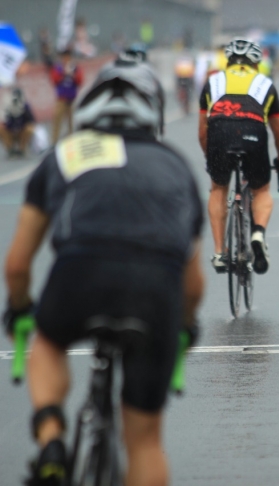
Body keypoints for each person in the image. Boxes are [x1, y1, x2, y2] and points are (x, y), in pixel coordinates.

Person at [2, 62, 204, 486]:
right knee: (145, 441)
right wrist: (184, 327)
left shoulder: (65, 154)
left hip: (80, 275)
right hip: (154, 289)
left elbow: (18, 264)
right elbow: (193, 284)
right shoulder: (175, 165)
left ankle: (51, 439)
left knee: (49, 343)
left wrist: (19, 310)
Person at [198, 37, 279, 274]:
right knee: (261, 190)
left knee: (218, 187)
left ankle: (220, 253)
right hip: (253, 132)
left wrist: (212, 159)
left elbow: (202, 132)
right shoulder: (264, 83)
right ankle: (258, 233)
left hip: (219, 133)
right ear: (256, 63)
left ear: (229, 62)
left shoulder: (212, 82)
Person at [49, 48, 83, 144]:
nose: (66, 59)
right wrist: (63, 73)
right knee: (57, 119)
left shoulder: (75, 68)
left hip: (72, 98)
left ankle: (72, 140)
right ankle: (54, 141)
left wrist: (72, 75)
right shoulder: (58, 68)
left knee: (72, 121)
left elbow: (80, 80)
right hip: (61, 99)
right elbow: (54, 80)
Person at [0, 87, 35, 158]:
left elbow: (32, 120)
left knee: (30, 128)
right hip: (11, 131)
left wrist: (23, 111)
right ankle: (10, 149)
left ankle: (22, 149)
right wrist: (10, 113)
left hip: (21, 132)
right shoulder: (8, 106)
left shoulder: (25, 106)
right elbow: (4, 121)